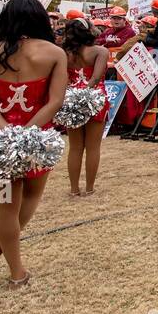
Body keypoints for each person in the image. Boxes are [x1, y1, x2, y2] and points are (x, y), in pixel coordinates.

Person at [0, 0, 67, 290]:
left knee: (7, 204)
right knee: (31, 199)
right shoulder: (52, 53)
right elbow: (55, 101)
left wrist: (7, 132)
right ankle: (15, 274)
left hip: (0, 143)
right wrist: (27, 132)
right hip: (39, 140)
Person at [62, 17, 110, 196]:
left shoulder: (65, 53)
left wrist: (73, 95)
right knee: (93, 147)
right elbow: (96, 78)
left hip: (71, 100)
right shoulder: (100, 51)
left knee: (75, 147)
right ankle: (89, 188)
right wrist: (85, 93)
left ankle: (74, 189)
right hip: (95, 98)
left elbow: (64, 78)